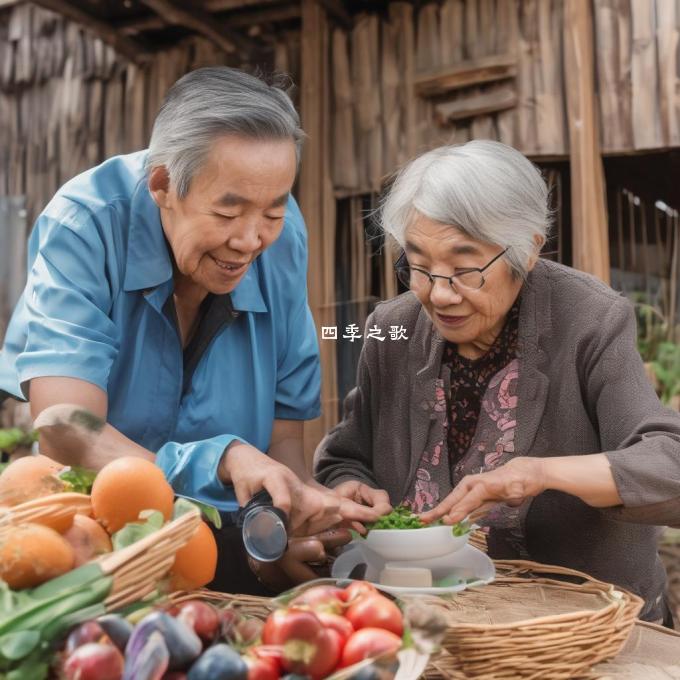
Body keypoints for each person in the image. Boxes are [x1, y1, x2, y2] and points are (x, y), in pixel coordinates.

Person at [0, 67, 381, 593]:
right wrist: (220, 457)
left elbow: (283, 435)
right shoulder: (84, 223)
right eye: (228, 210)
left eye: (272, 210)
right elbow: (65, 425)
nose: (251, 240)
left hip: (232, 544)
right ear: (162, 185)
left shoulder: (284, 235)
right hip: (97, 547)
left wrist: (301, 502)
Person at [314, 140, 680, 623]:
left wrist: (540, 474)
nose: (439, 294)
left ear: (526, 250)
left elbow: (668, 462)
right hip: (434, 620)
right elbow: (346, 455)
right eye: (418, 266)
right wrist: (351, 487)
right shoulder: (391, 327)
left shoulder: (589, 319)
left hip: (581, 626)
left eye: (465, 269)